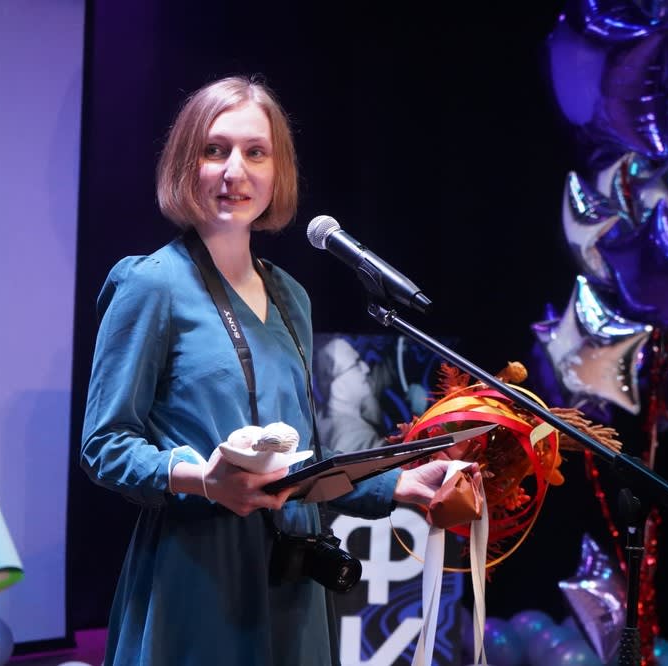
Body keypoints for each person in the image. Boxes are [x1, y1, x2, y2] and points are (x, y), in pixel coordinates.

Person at [80, 74, 470, 665]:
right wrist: (203, 479)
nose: (235, 170)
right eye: (215, 150)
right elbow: (105, 444)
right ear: (186, 164)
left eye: (255, 152)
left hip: (293, 573)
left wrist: (398, 486)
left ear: (277, 170)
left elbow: (300, 461)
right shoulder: (151, 284)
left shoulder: (291, 296)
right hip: (198, 574)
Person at [314, 337, 391, 453]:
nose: (366, 368)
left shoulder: (322, 420)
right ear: (336, 380)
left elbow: (379, 379)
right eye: (357, 364)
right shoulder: (352, 434)